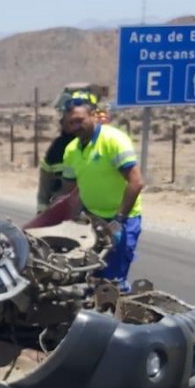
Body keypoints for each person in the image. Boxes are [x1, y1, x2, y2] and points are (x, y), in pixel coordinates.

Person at [60, 96, 145, 291]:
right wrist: (69, 221)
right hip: (92, 221)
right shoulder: (71, 150)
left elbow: (136, 182)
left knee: (112, 284)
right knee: (87, 278)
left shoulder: (113, 140)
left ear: (93, 116)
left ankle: (122, 317)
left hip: (121, 220)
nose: (75, 126)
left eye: (80, 120)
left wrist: (118, 220)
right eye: (71, 122)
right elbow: (69, 191)